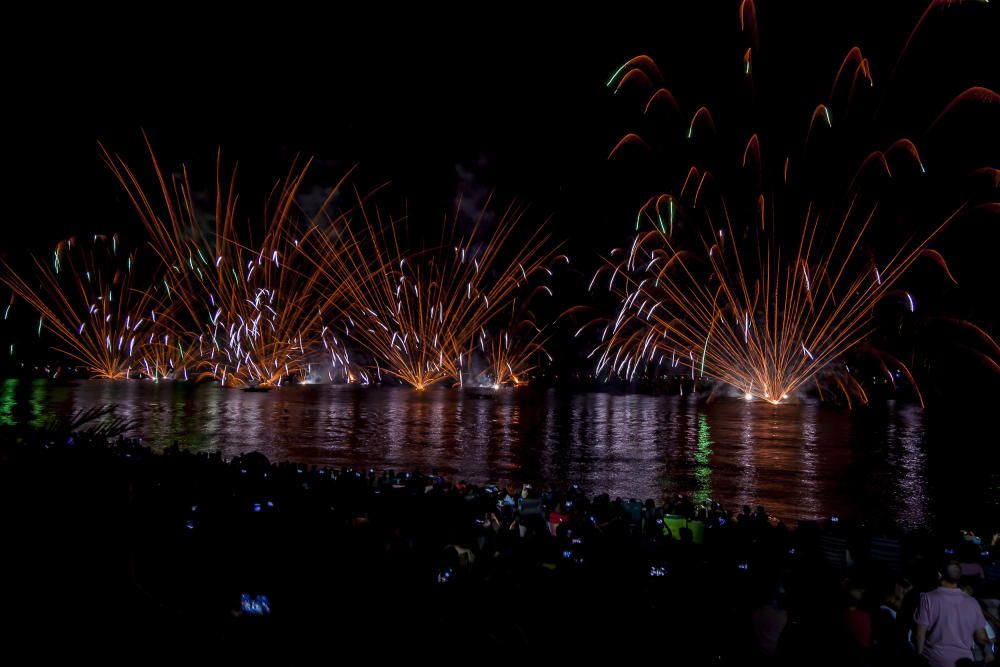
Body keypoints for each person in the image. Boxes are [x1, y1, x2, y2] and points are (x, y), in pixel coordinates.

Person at [913, 559, 990, 667]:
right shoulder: (973, 603)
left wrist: (919, 656)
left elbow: (919, 635)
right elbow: (982, 638)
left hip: (934, 660)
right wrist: (989, 654)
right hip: (964, 662)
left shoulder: (927, 598)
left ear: (939, 575)